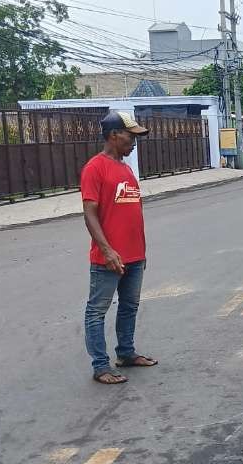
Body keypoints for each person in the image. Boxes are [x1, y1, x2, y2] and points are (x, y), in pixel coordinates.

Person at [80, 111, 158, 385]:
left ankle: (125, 353)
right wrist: (108, 250)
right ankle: (100, 366)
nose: (134, 141)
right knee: (96, 310)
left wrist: (142, 251)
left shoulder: (126, 169)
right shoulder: (95, 168)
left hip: (135, 255)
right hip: (108, 258)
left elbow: (131, 211)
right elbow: (89, 214)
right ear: (114, 135)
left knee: (129, 306)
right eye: (130, 135)